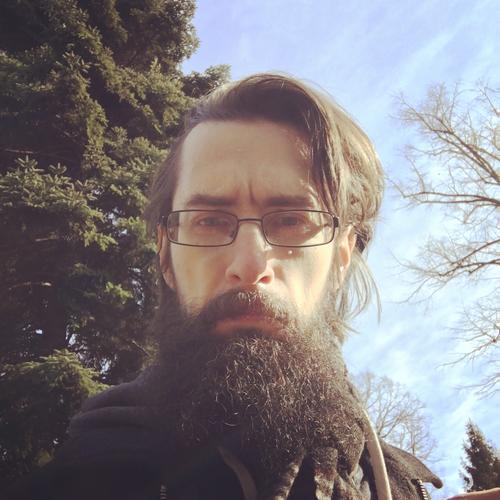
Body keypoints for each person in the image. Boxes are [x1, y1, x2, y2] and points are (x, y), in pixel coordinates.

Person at [8, 73, 445, 499]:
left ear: (342, 256)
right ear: (165, 254)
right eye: (209, 221)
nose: (249, 266)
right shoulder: (73, 482)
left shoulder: (402, 489)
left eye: (292, 220)